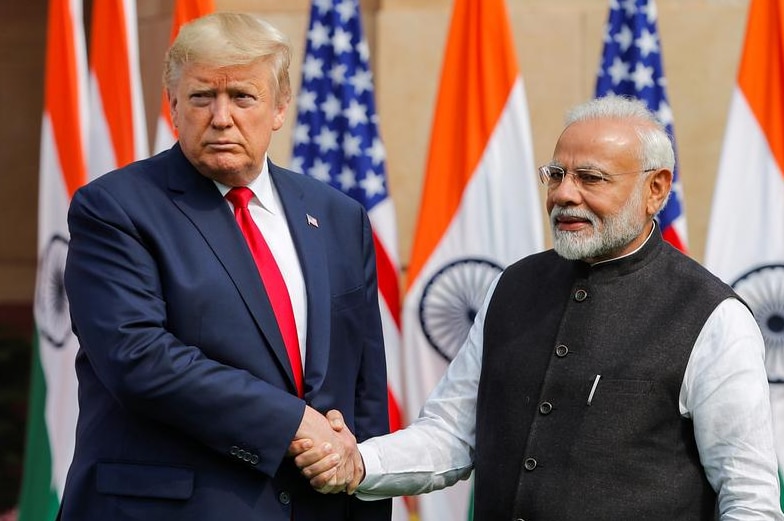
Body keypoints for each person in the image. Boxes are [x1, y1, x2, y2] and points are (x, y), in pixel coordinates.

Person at [292, 95, 784, 520]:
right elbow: (451, 435)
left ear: (655, 189)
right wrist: (358, 461)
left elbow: (749, 499)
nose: (565, 195)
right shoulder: (514, 286)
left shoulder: (712, 315)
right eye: (556, 174)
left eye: (592, 178)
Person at [60, 12, 390, 521]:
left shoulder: (338, 217)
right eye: (200, 97)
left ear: (279, 108)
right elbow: (138, 358)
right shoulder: (115, 209)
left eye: (242, 96)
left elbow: (364, 386)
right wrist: (293, 423)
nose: (221, 117)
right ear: (172, 106)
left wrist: (366, 494)